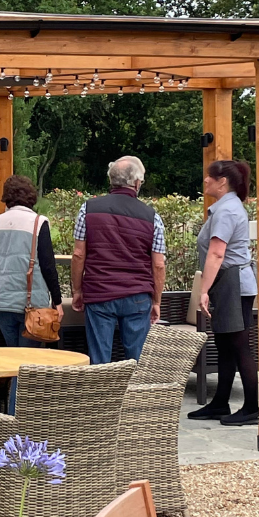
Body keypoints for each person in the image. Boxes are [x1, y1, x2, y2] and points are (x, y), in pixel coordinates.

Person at [70, 156, 166, 364]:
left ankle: (103, 396)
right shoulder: (152, 216)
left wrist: (77, 291)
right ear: (137, 182)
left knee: (99, 359)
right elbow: (158, 264)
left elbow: (78, 254)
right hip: (138, 295)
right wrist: (156, 301)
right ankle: (134, 396)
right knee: (136, 359)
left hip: (99, 292)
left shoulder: (88, 209)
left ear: (111, 181)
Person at [0, 174, 63, 414]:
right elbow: (48, 266)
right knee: (27, 365)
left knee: (17, 361)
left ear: (6, 197)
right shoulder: (38, 223)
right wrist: (57, 301)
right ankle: (19, 418)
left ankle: (14, 416)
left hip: (1, 303)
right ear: (30, 197)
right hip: (33, 306)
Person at [187, 160, 259, 426]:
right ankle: (220, 403)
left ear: (222, 182)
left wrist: (203, 290)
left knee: (239, 346)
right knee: (225, 345)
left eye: (209, 177)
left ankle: (252, 407)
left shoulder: (227, 210)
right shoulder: (224, 208)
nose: (205, 180)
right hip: (228, 283)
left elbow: (217, 252)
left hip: (234, 284)